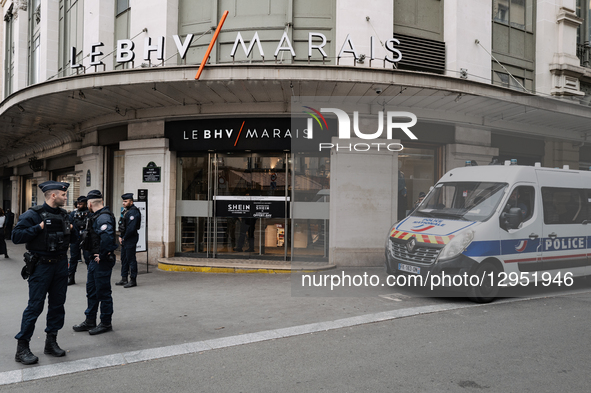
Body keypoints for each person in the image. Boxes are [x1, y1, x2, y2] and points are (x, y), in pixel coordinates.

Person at [12, 181, 74, 365]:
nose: (66, 197)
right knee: (35, 306)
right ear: (53, 195)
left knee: (57, 305)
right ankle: (22, 348)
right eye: (63, 195)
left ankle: (51, 342)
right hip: (41, 267)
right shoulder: (33, 214)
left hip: (61, 265)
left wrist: (73, 230)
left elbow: (74, 238)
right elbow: (16, 236)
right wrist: (38, 227)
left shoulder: (64, 215)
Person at [73, 190, 118, 335]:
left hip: (101, 261)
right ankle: (90, 320)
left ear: (90, 203)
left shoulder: (103, 217)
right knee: (91, 291)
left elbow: (108, 238)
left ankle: (105, 323)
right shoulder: (96, 216)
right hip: (94, 259)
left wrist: (103, 255)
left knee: (103, 292)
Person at [116, 193, 141, 288]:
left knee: (131, 259)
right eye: (123, 201)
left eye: (125, 201)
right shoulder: (127, 211)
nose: (123, 203)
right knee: (124, 259)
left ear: (131, 201)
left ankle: (133, 280)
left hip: (130, 238)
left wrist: (124, 237)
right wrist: (120, 236)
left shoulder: (133, 212)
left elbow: (131, 228)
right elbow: (123, 225)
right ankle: (124, 278)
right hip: (125, 238)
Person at [67, 196, 92, 285]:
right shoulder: (73, 214)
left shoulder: (89, 213)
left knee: (88, 258)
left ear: (86, 204)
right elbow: (69, 224)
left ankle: (91, 278)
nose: (78, 205)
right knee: (73, 258)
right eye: (77, 204)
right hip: (75, 238)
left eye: (81, 204)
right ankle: (71, 277)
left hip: (86, 238)